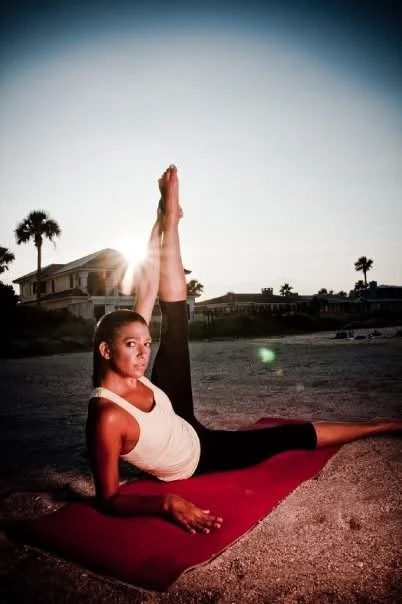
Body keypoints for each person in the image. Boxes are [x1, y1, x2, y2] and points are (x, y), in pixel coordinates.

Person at [86, 164, 402, 535]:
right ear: (106, 351)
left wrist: (159, 220)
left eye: (145, 344)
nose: (143, 353)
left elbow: (147, 288)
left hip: (174, 410)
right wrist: (166, 501)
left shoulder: (132, 367)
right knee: (288, 438)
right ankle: (386, 425)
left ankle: (172, 218)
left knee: (175, 321)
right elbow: (107, 498)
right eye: (131, 345)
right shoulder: (107, 417)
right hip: (199, 455)